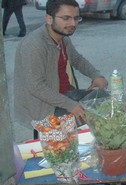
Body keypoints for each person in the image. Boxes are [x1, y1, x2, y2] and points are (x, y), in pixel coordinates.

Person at [14, 0, 108, 139]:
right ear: (49, 18)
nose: (73, 24)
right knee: (72, 141)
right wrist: (71, 105)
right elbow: (35, 86)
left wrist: (96, 75)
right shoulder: (34, 45)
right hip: (45, 106)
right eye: (66, 18)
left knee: (105, 99)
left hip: (66, 94)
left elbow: (77, 59)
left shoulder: (62, 38)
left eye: (76, 18)